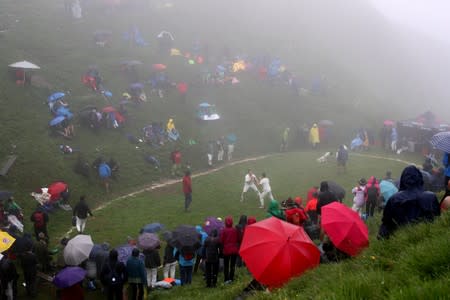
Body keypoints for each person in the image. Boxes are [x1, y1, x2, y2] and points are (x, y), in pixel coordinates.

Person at [378, 165, 441, 239]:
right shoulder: (431, 196)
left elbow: (386, 222)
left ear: (403, 179)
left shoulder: (394, 199)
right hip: (427, 236)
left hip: (400, 236)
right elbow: (437, 217)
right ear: (420, 178)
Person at [220, 216, 239, 284]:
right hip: (234, 249)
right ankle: (231, 278)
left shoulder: (224, 230)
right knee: (232, 264)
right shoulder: (235, 230)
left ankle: (226, 279)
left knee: (226, 265)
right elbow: (237, 239)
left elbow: (221, 240)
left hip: (226, 250)